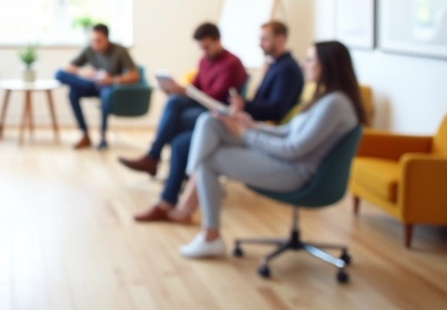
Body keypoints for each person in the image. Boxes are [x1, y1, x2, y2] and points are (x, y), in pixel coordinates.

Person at [157, 41, 365, 259]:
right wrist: (251, 125)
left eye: (310, 59)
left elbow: (293, 149)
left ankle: (210, 235)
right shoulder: (326, 99)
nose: (305, 64)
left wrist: (244, 133)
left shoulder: (334, 104)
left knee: (210, 159)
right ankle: (194, 175)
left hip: (296, 173)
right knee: (211, 122)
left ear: (327, 65)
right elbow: (288, 133)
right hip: (287, 162)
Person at [130, 21, 305, 221]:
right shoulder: (274, 65)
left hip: (254, 127)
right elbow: (196, 87)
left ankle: (169, 194)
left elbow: (277, 110)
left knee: (181, 131)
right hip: (243, 120)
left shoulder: (287, 70)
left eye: (264, 39)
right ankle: (169, 195)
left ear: (280, 39)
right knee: (176, 114)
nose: (259, 44)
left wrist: (244, 106)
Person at [118, 22, 247, 174]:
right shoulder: (204, 61)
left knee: (176, 120)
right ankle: (157, 159)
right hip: (200, 105)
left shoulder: (232, 63)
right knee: (173, 101)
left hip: (218, 113)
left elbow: (216, 96)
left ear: (217, 41)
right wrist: (176, 89)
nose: (204, 52)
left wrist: (187, 91)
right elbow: (195, 87)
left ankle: (157, 160)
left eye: (207, 47)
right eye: (201, 48)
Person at [54, 23, 139, 150]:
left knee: (106, 96)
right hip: (91, 84)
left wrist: (112, 79)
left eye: (99, 41)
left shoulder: (120, 51)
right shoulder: (90, 49)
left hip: (108, 86)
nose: (95, 44)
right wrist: (84, 73)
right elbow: (67, 67)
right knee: (63, 80)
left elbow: (134, 76)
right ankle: (85, 134)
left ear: (107, 39)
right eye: (93, 40)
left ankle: (102, 136)